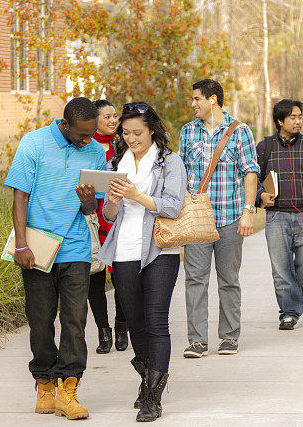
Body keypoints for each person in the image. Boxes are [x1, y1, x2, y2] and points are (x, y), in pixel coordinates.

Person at [4, 97, 105, 420]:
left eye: (91, 134)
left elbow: (92, 210)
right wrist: (21, 245)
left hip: (75, 248)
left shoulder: (95, 152)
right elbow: (20, 195)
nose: (87, 140)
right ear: (65, 125)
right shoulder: (33, 143)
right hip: (38, 248)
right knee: (40, 321)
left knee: (75, 321)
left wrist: (89, 202)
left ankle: (68, 389)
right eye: (81, 135)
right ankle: (45, 383)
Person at [98, 102, 187, 422]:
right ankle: (146, 378)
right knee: (135, 323)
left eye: (137, 132)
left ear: (152, 129)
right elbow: (109, 216)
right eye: (125, 132)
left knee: (156, 321)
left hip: (160, 250)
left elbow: (173, 208)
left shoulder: (170, 162)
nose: (131, 138)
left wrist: (136, 195)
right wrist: (112, 201)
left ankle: (153, 397)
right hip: (123, 252)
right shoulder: (115, 163)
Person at [179, 79, 260, 357]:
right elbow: (181, 173)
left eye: (196, 99)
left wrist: (248, 211)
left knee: (228, 280)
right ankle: (197, 340)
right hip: (197, 220)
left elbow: (250, 171)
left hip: (229, 218)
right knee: (195, 281)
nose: (193, 104)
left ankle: (228, 337)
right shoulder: (188, 132)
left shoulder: (240, 131)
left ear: (212, 100)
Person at [256, 99, 303, 331]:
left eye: (300, 116)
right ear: (280, 121)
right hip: (276, 218)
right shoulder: (264, 147)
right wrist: (260, 195)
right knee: (281, 270)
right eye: (292, 117)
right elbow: (252, 178)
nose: (298, 121)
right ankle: (289, 312)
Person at [89, 99, 129, 354]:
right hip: (93, 218)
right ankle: (103, 331)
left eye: (115, 116)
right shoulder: (86, 147)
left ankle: (121, 326)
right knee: (95, 277)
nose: (113, 120)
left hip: (118, 216)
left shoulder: (124, 146)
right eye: (107, 116)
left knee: (121, 277)